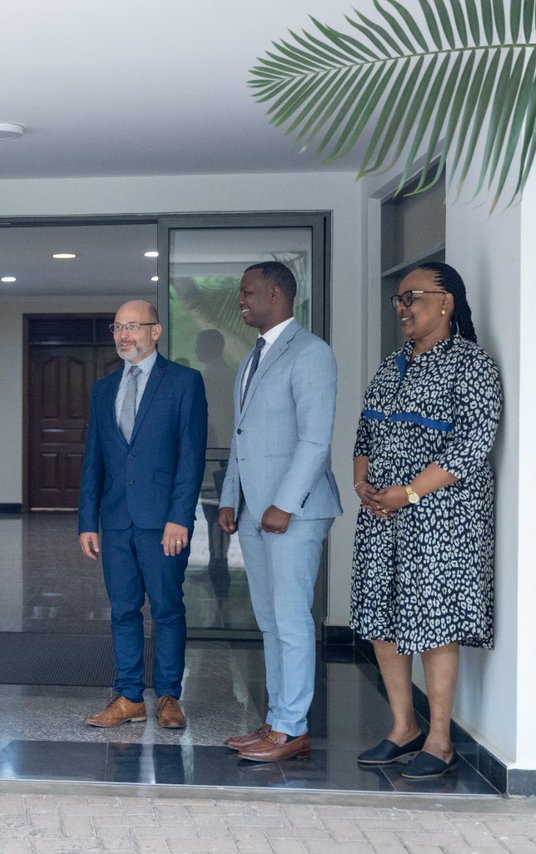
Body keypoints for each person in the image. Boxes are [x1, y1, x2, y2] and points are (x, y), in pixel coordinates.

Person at [350, 263, 501, 780]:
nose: (403, 307)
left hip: (441, 519)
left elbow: (472, 444)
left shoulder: (471, 365)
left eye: (412, 296)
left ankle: (439, 739)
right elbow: (364, 435)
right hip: (382, 515)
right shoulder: (391, 366)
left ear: (446, 302)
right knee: (383, 616)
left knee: (434, 621)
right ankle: (402, 727)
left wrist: (409, 492)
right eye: (398, 299)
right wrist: (363, 485)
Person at [218, 261, 342, 762]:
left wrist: (283, 504)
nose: (240, 301)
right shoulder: (252, 357)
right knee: (270, 622)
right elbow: (242, 435)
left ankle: (292, 728)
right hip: (253, 512)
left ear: (276, 292)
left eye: (247, 292)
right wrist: (230, 496)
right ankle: (274, 721)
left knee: (291, 622)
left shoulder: (311, 354)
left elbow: (315, 439)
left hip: (293, 512)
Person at [78, 300, 208, 729]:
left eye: (133, 326)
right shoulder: (103, 388)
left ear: (156, 331)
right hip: (115, 521)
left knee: (168, 609)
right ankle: (129, 697)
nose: (123, 335)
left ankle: (170, 696)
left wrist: (180, 518)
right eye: (117, 326)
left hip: (161, 521)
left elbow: (191, 458)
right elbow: (93, 460)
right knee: (123, 610)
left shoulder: (185, 382)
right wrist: (86, 521)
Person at [195, 329, 237, 621]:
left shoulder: (211, 378)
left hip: (217, 459)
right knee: (216, 522)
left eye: (200, 344)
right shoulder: (229, 374)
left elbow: (211, 421)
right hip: (221, 457)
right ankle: (215, 566)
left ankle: (219, 582)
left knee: (217, 521)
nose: (197, 348)